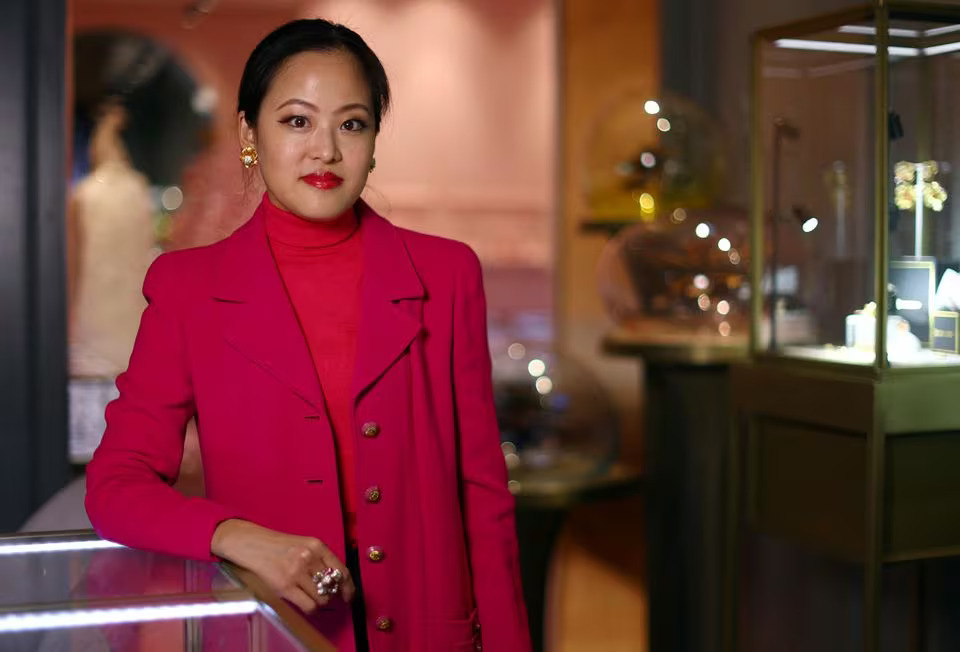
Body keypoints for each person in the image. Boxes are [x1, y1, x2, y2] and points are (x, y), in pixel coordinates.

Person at [85, 18, 532, 652]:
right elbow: (115, 489)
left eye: (351, 124)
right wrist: (237, 535)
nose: (324, 149)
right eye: (297, 121)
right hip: (275, 632)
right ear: (249, 133)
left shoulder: (446, 274)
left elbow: (483, 498)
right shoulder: (188, 288)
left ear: (375, 141)